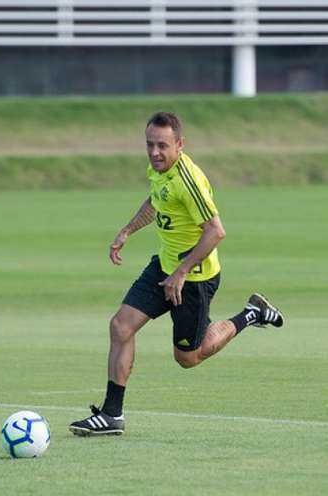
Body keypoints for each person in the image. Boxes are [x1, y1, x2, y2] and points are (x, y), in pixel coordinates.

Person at [69, 112, 284, 437]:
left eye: (163, 146)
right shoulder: (160, 171)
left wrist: (182, 272)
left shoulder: (188, 180)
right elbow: (158, 202)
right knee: (120, 326)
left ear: (180, 145)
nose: (155, 152)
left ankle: (251, 314)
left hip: (194, 280)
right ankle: (112, 415)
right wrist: (128, 230)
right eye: (150, 144)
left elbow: (215, 232)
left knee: (188, 357)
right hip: (165, 268)